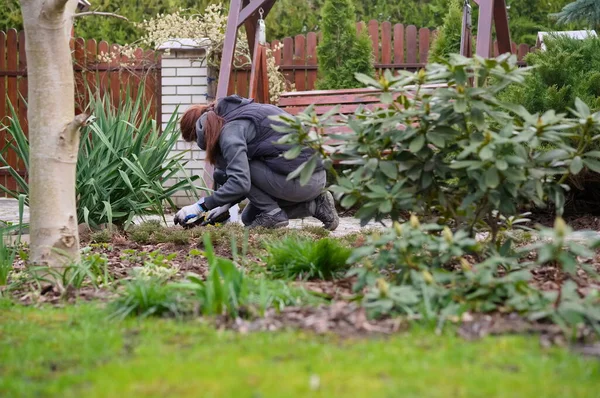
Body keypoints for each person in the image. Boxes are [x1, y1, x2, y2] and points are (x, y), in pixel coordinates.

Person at [173, 95, 339, 230]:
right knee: (249, 217)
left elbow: (240, 182)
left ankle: (273, 214)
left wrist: (199, 207)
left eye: (195, 140)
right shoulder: (237, 113)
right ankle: (316, 205)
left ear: (198, 130)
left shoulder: (230, 131)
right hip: (314, 178)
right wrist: (223, 206)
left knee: (233, 172)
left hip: (301, 180)